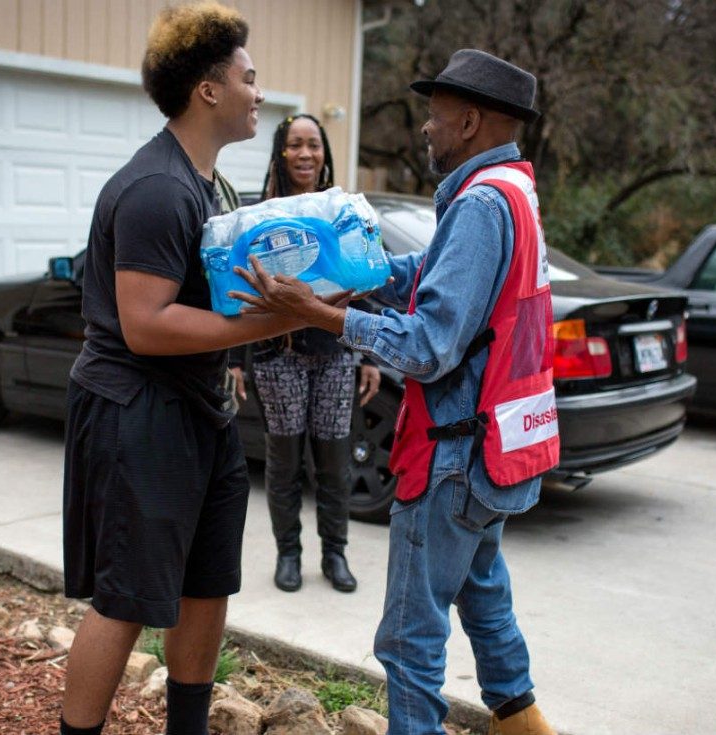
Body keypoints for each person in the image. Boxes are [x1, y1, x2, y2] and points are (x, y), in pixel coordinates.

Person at [230, 49, 559, 735]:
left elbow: (431, 346)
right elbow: (435, 275)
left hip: (452, 459)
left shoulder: (479, 206)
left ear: (468, 121)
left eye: (435, 118)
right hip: (492, 453)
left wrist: (321, 313)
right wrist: (352, 268)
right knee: (484, 594)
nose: (427, 131)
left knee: (409, 639)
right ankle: (522, 722)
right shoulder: (513, 192)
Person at [58, 5, 324, 734]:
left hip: (201, 409)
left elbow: (217, 292)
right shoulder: (156, 188)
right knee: (126, 596)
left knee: (208, 583)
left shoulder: (210, 186)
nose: (259, 92)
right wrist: (280, 319)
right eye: (249, 77)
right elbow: (144, 324)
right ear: (209, 89)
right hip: (137, 413)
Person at [227, 114, 381, 594]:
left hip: (335, 351)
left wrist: (371, 351)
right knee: (285, 460)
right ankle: (288, 554)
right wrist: (235, 358)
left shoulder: (339, 209)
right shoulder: (260, 214)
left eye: (314, 145)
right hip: (278, 355)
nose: (306, 154)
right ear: (280, 152)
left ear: (325, 153)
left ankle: (334, 554)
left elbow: (363, 273)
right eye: (295, 145)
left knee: (333, 461)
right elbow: (236, 285)